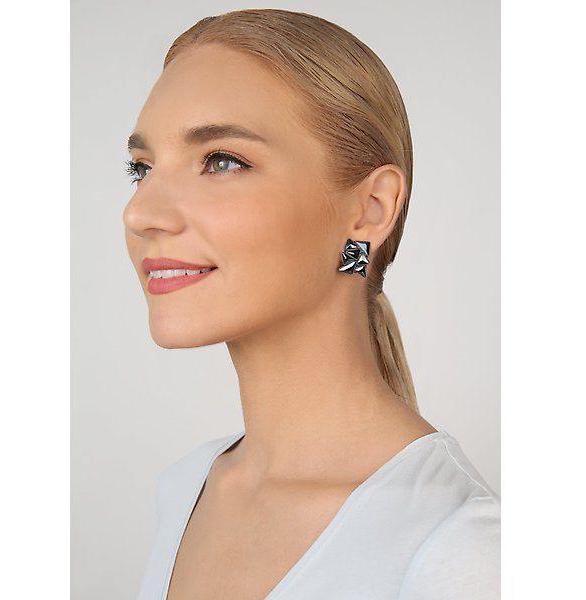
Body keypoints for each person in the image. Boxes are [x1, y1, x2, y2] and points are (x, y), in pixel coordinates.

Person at [123, 8, 500, 600]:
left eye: (222, 161)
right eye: (141, 169)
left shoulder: (460, 547)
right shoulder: (188, 488)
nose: (141, 212)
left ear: (370, 209)